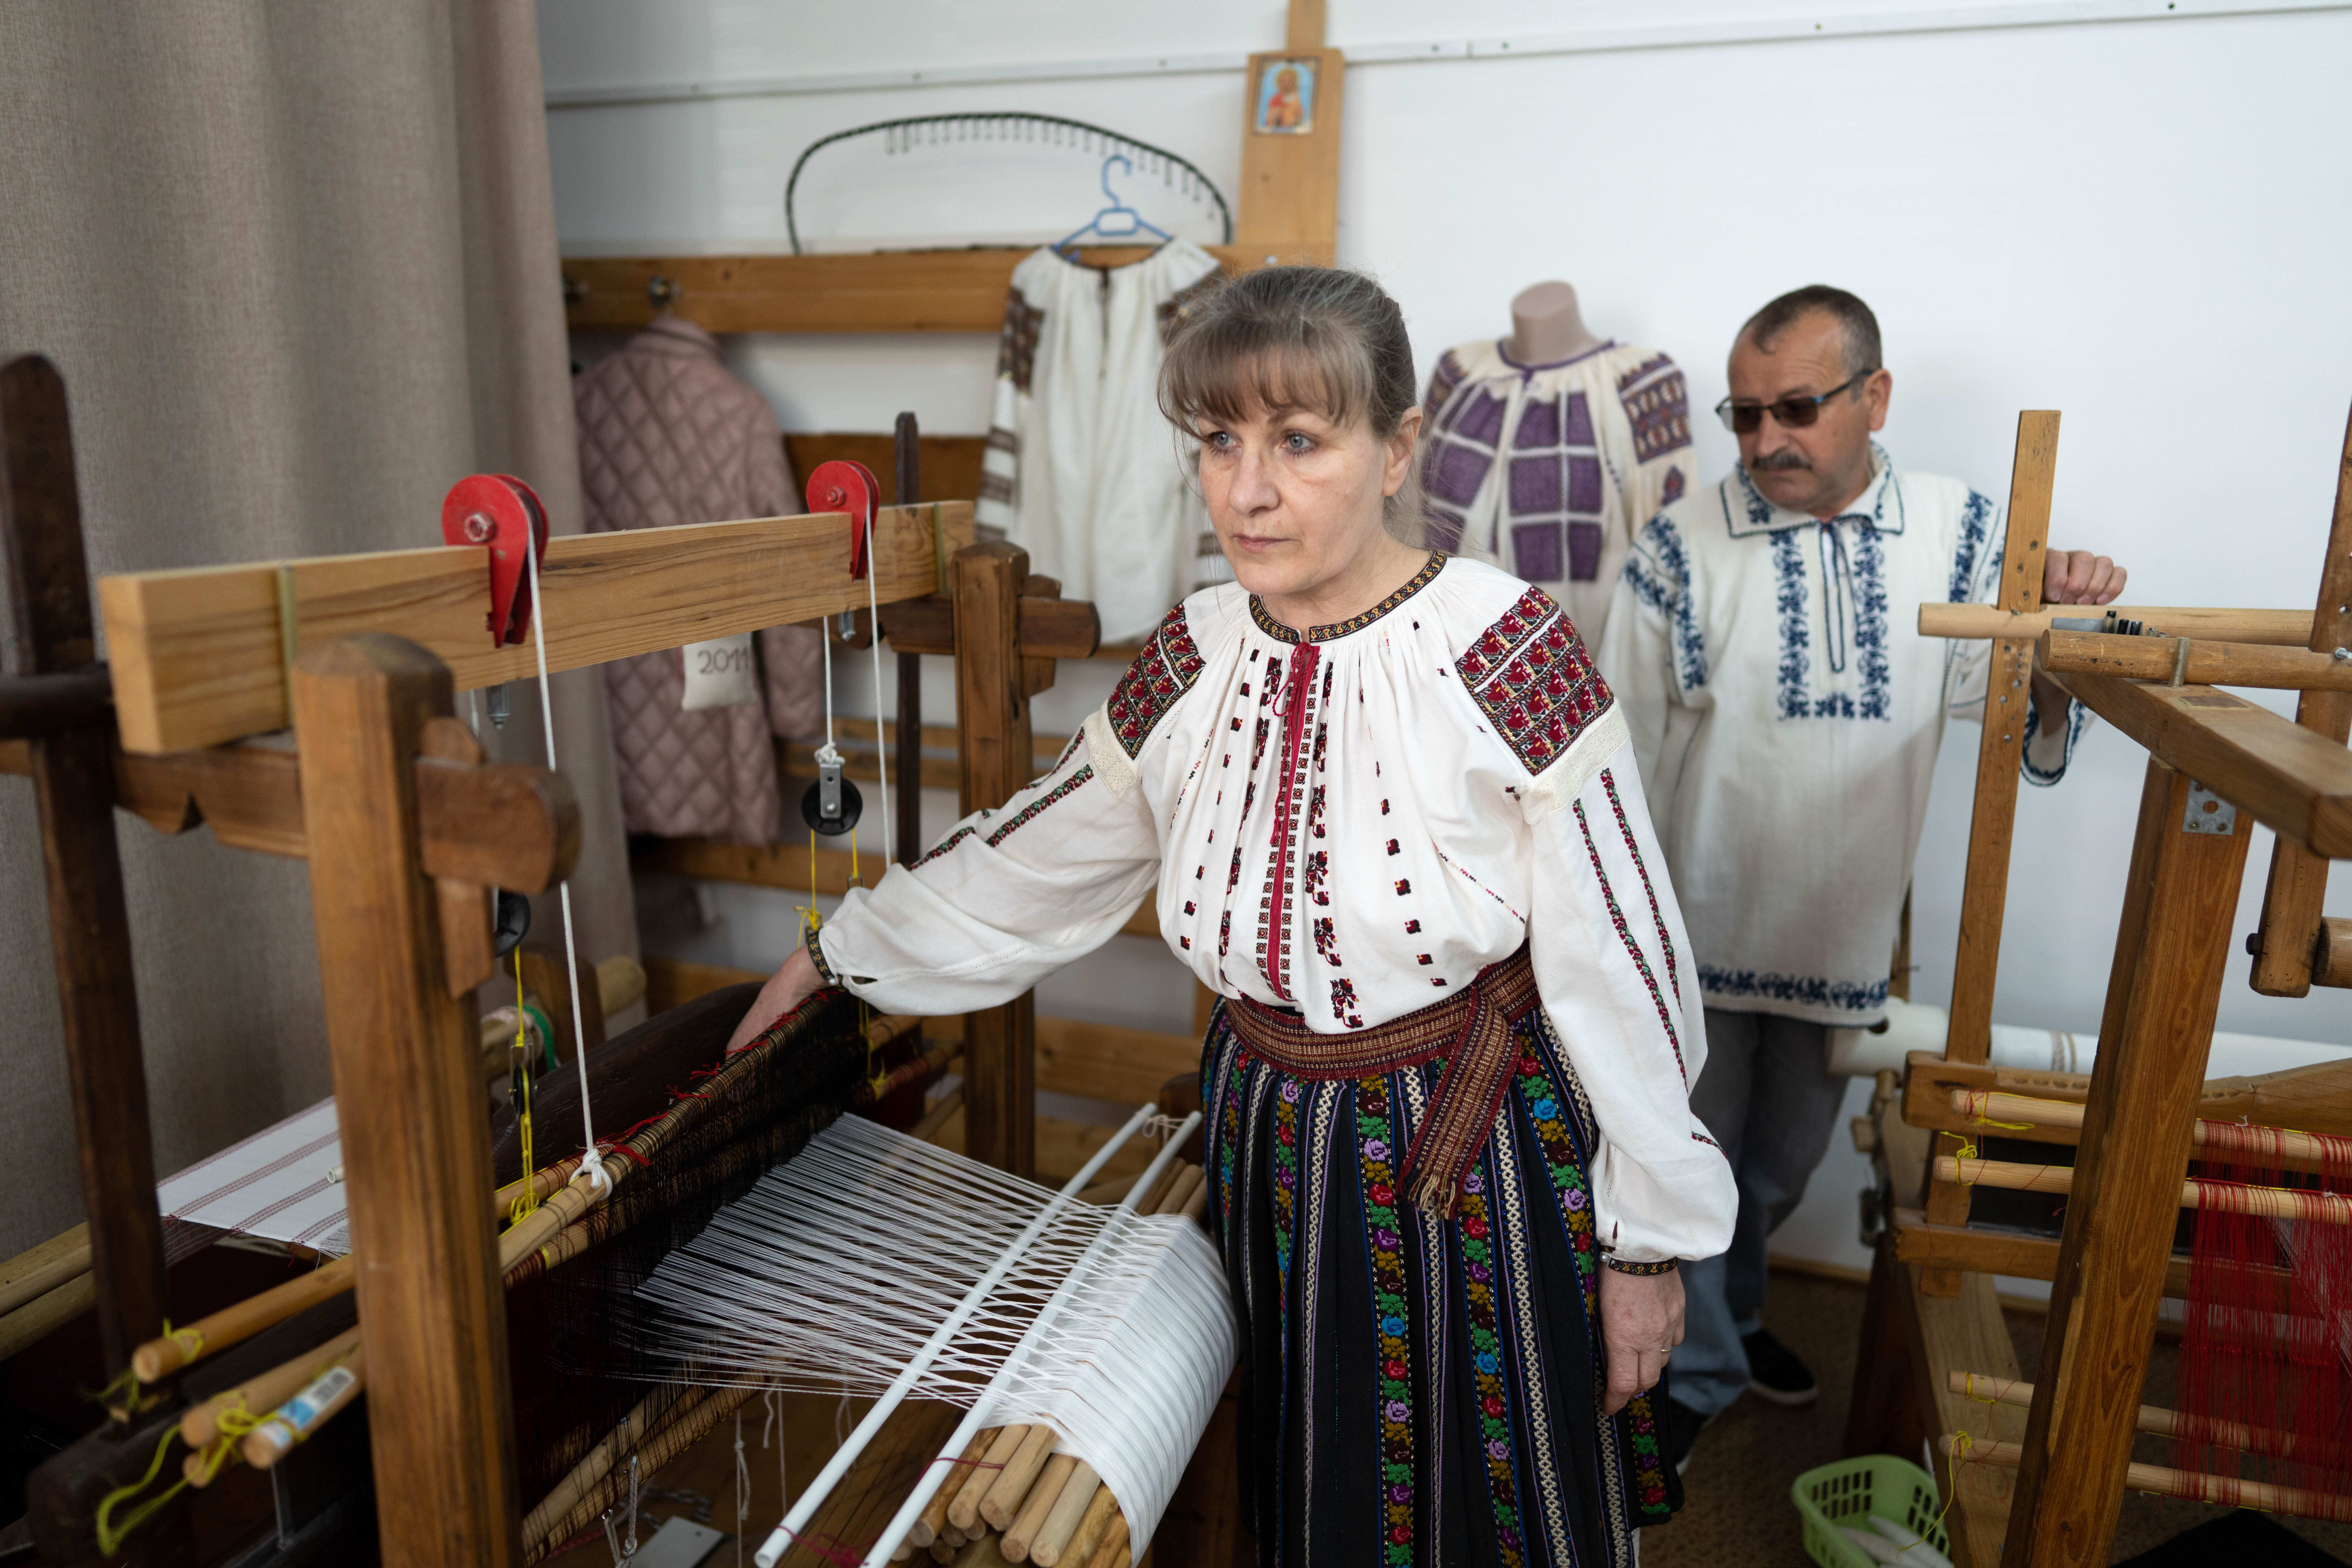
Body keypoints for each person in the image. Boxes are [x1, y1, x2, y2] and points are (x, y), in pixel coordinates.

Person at [727, 266, 1736, 1567]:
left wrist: (1646, 1248)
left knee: (1493, 1497)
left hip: (1463, 1144)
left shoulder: (1506, 645)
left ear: (1395, 451)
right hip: (1274, 1134)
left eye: (1299, 443)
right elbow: (1046, 848)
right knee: (1319, 1479)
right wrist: (840, 960)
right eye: (1218, 441)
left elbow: (1620, 953)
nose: (1246, 491)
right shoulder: (1196, 653)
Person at [1595, 285, 2126, 1474]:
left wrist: (2067, 627)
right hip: (1698, 926)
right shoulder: (1682, 543)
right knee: (1686, 1164)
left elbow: (2010, 713)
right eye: (1743, 415)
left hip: (1844, 933)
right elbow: (1611, 744)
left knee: (1775, 1170)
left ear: (1872, 396)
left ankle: (1718, 1323)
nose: (1763, 440)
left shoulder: (1965, 528)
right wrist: (1607, 934)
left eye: (1794, 407)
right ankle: (1699, 1371)